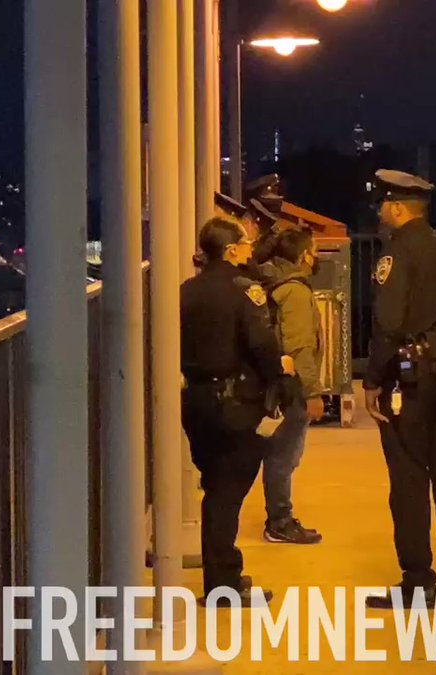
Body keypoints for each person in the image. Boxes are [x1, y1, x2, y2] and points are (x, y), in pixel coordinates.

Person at [362, 169, 436, 609]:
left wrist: (373, 379)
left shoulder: (396, 254)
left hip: (411, 374)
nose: (379, 213)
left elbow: (389, 324)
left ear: (396, 207)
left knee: (409, 473)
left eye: (382, 206)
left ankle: (417, 579)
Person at [180, 216, 293, 604]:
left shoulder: (186, 292)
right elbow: (261, 345)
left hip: (195, 402)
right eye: (244, 244)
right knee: (227, 493)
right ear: (230, 251)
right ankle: (222, 586)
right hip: (234, 405)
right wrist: (283, 377)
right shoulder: (245, 292)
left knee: (216, 488)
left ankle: (224, 573)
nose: (250, 249)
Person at [256, 228, 326, 544]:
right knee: (284, 455)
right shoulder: (295, 292)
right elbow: (300, 347)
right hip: (293, 386)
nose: (317, 256)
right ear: (302, 256)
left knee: (282, 454)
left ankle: (279, 518)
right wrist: (312, 392)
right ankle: (280, 521)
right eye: (315, 250)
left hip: (283, 383)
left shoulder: (278, 285)